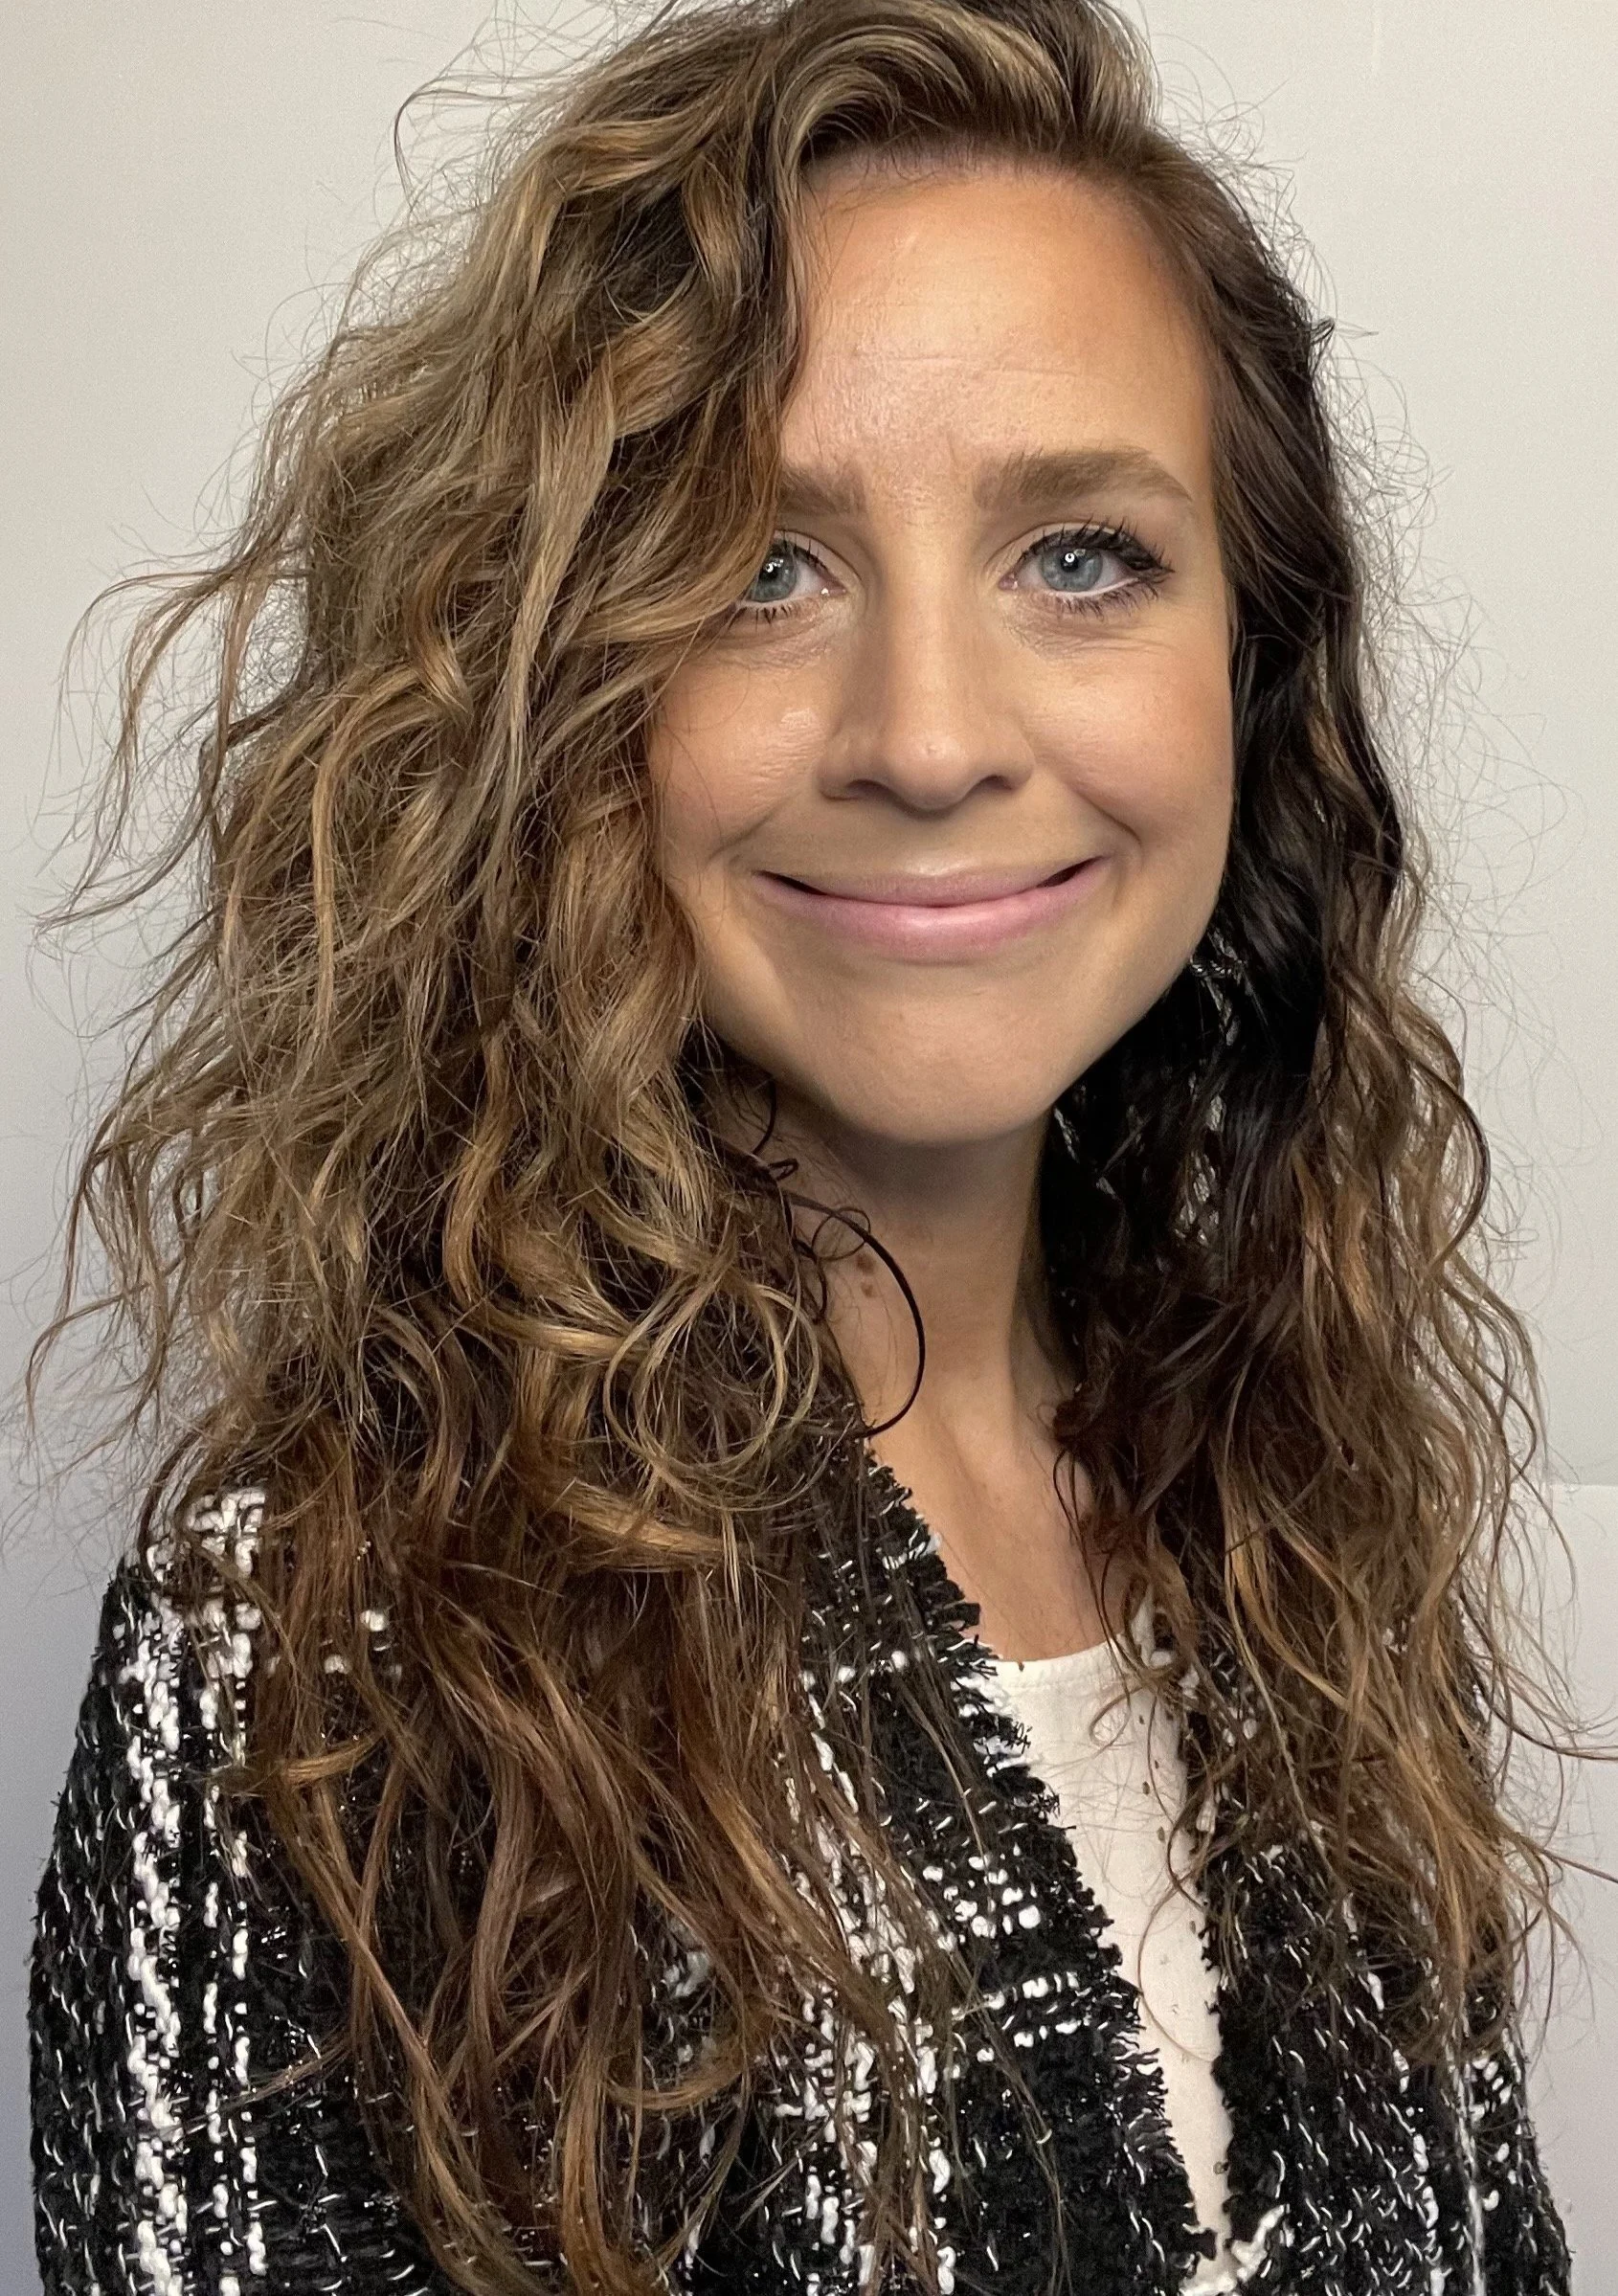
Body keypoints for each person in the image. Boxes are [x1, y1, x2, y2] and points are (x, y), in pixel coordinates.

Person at [27, 0, 1574, 2289]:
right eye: (761, 565)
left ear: (1251, 664)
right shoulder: (316, 1660)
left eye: (1078, 555)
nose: (929, 736)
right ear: (556, 690)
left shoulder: (1287, 1519)